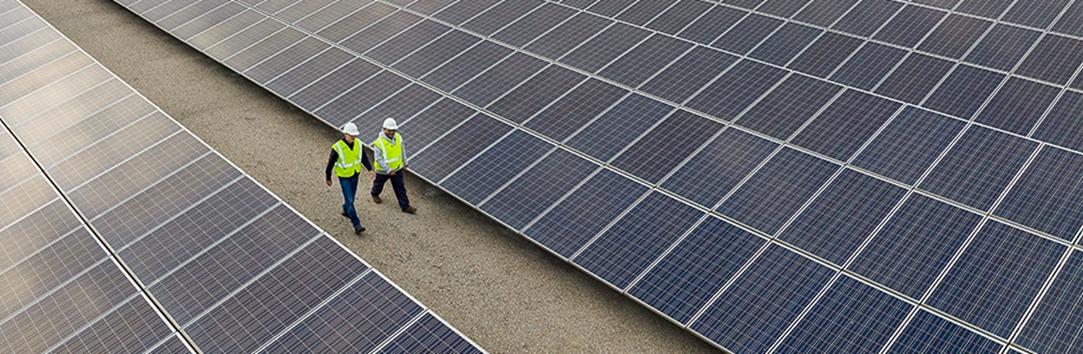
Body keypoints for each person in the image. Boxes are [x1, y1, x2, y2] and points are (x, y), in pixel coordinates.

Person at [325, 122, 374, 235]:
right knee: (350, 201)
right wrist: (328, 177)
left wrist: (370, 169)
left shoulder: (358, 144)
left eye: (355, 136)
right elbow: (330, 164)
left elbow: (363, 158)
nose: (354, 138)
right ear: (345, 134)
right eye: (352, 136)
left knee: (350, 198)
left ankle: (346, 210)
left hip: (355, 175)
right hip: (344, 177)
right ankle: (356, 224)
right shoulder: (337, 147)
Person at [371, 118, 417, 214]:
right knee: (378, 185)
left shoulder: (398, 138)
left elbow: (402, 150)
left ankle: (405, 206)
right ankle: (374, 194)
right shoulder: (379, 143)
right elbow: (379, 159)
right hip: (383, 171)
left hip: (397, 168)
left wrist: (405, 162)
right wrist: (388, 170)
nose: (392, 132)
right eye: (389, 130)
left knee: (400, 187)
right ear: (384, 129)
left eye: (393, 130)